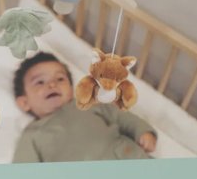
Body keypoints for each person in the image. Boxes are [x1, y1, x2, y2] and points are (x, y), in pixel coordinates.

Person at [12, 52, 157, 163]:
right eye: (40, 82)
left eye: (60, 79)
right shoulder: (32, 135)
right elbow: (24, 173)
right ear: (24, 103)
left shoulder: (87, 105)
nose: (52, 84)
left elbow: (121, 116)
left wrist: (142, 131)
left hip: (125, 159)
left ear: (71, 89)